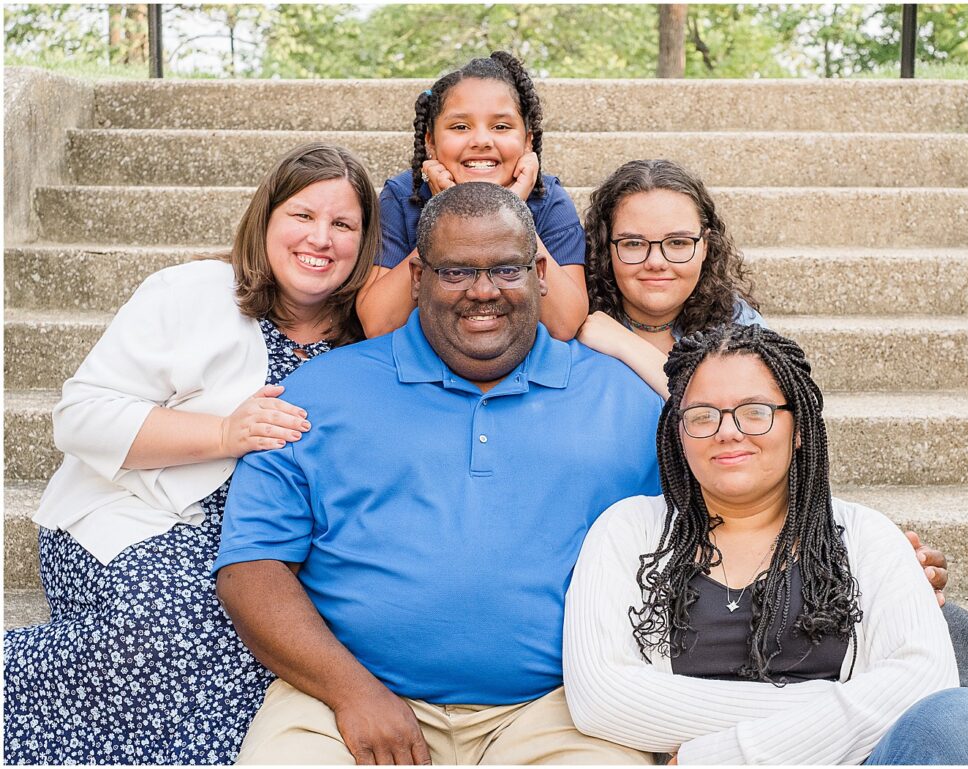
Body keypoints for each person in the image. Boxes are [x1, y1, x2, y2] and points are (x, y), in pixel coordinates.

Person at [214, 182, 664, 764]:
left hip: (562, 710)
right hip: (342, 701)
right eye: (456, 272)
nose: (484, 293)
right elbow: (252, 565)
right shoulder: (317, 393)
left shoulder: (625, 401)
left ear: (542, 272)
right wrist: (352, 693)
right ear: (418, 274)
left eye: (506, 269)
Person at [3, 143, 381, 765]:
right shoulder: (190, 292)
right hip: (134, 518)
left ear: (364, 245)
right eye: (302, 215)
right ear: (266, 220)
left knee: (291, 641)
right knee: (185, 627)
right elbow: (79, 418)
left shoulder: (365, 339)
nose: (321, 238)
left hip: (267, 543)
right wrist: (224, 434)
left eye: (343, 224)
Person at [563, 323, 968, 764]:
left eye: (755, 412)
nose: (728, 431)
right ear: (678, 434)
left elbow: (925, 683)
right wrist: (832, 704)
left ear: (798, 429)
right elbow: (600, 698)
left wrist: (725, 754)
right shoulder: (628, 530)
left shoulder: (867, 535)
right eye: (702, 416)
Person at [356, 50, 589, 341]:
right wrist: (446, 212)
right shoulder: (405, 196)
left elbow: (565, 324)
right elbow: (378, 324)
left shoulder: (546, 198)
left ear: (528, 141)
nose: (481, 140)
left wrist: (513, 210)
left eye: (501, 127)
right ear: (430, 141)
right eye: (460, 127)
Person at [577, 158, 762, 400]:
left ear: (705, 245)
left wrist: (627, 345)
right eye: (633, 243)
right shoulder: (573, 320)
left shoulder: (739, 321)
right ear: (605, 247)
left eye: (678, 243)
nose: (656, 262)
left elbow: (750, 418)